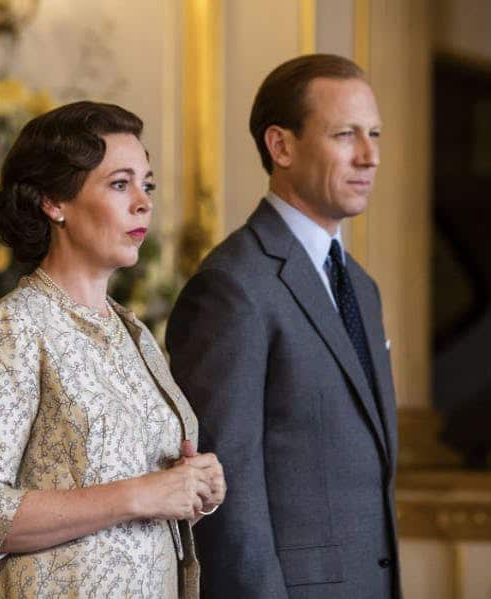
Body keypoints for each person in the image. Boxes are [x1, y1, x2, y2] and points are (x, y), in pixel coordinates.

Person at [0, 101, 225, 599]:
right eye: (120, 184)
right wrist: (139, 495)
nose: (143, 202)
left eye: (147, 185)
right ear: (54, 202)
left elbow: (142, 499)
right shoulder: (12, 327)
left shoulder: (132, 332)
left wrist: (195, 486)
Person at [166, 54, 401, 598]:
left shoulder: (361, 287)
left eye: (374, 134)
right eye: (346, 134)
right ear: (281, 146)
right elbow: (225, 494)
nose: (370, 156)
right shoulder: (232, 285)